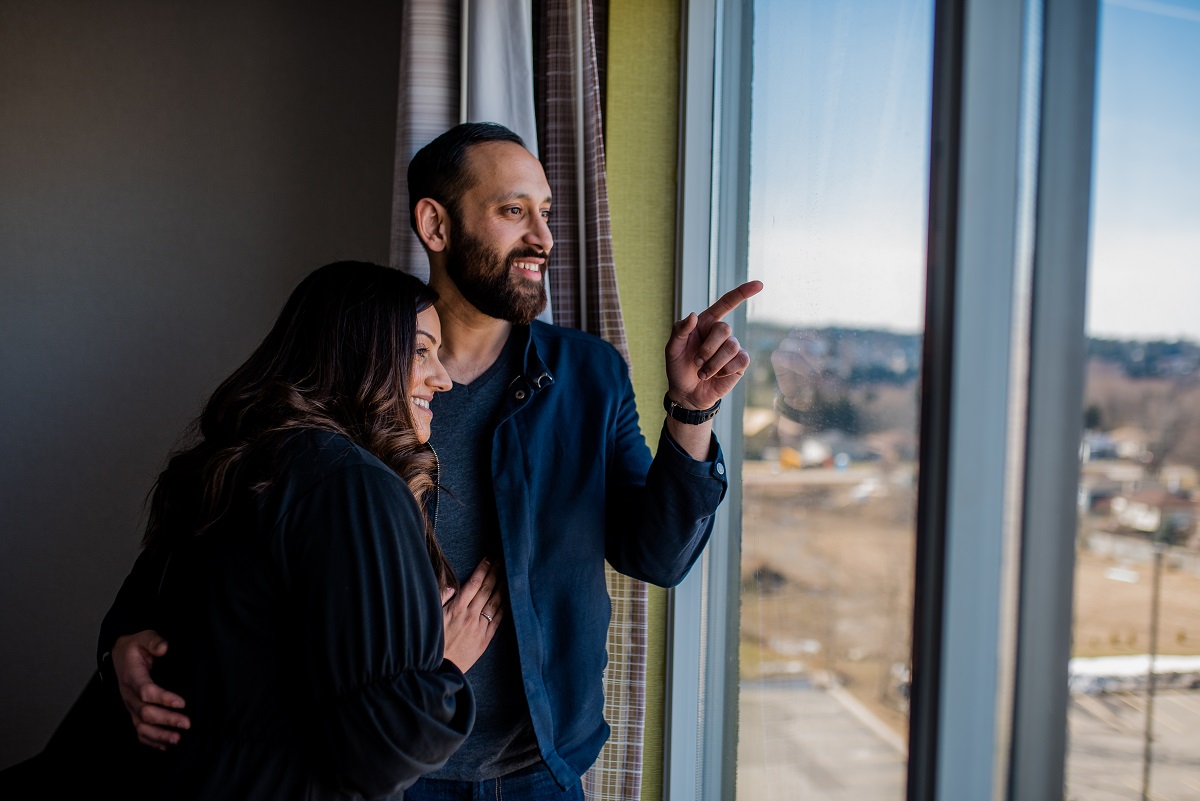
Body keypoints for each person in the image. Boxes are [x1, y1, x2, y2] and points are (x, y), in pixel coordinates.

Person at [107, 124, 763, 799]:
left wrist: (690, 412)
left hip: (540, 768)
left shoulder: (591, 374)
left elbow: (656, 554)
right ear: (435, 224)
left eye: (547, 213)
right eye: (514, 211)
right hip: (380, 772)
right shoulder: (354, 384)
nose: (543, 237)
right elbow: (205, 540)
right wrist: (121, 644)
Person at [56, 262, 502, 800]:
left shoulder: (234, 459)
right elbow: (377, 754)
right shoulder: (356, 486)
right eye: (420, 350)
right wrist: (444, 666)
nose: (443, 377)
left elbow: (142, 610)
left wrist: (117, 648)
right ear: (356, 352)